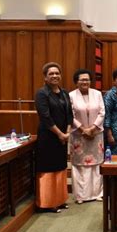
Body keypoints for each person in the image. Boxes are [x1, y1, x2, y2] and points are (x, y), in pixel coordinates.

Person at [34, 62, 73, 213]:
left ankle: (60, 200)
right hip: (48, 137)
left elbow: (70, 115)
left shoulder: (64, 93)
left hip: (62, 138)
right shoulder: (42, 93)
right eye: (51, 74)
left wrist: (67, 132)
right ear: (45, 77)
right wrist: (60, 134)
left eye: (57, 73)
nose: (55, 76)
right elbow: (45, 117)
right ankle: (48, 202)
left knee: (60, 168)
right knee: (48, 169)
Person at [69, 69, 105, 204]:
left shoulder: (97, 94)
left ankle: (97, 193)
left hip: (96, 134)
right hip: (79, 136)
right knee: (80, 165)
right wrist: (84, 129)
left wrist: (93, 128)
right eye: (82, 79)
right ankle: (81, 195)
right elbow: (70, 115)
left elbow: (102, 112)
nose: (85, 82)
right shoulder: (71, 96)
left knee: (96, 164)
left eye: (87, 79)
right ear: (76, 82)